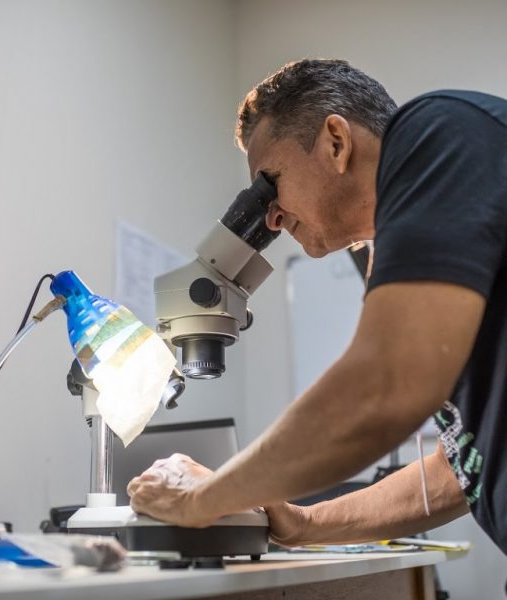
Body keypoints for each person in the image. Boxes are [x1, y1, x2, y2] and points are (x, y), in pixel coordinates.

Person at [127, 59, 507, 555]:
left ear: (336, 142)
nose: (272, 217)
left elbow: (384, 389)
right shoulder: (409, 252)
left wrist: (201, 499)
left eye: (270, 182)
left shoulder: (439, 131)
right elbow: (458, 471)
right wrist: (303, 522)